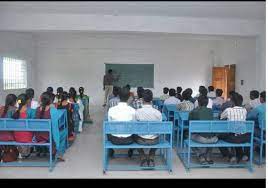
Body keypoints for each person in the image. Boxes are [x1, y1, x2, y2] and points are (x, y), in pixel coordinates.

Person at [135, 89, 162, 167]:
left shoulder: (137, 112)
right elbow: (159, 128)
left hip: (141, 140)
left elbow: (135, 126)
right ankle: (151, 156)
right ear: (152, 99)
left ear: (142, 99)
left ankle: (142, 156)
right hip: (154, 141)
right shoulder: (158, 112)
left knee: (133, 136)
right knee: (158, 136)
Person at [218, 94, 249, 164]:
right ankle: (242, 154)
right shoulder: (245, 110)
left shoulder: (228, 110)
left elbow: (221, 117)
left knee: (218, 138)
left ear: (232, 102)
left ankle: (230, 156)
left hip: (232, 137)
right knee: (237, 134)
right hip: (244, 137)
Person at [107, 87, 135, 158]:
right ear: (129, 97)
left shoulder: (111, 110)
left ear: (118, 96)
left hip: (114, 139)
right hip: (129, 139)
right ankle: (131, 150)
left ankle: (111, 150)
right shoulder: (133, 110)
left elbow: (110, 125)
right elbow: (135, 125)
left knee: (108, 129)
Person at [189, 95, 217, 164]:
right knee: (211, 133)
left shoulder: (194, 111)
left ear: (198, 103)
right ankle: (208, 156)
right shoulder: (211, 111)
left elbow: (189, 123)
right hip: (213, 139)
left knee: (189, 137)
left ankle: (200, 156)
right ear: (207, 103)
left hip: (202, 139)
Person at [12, 94, 36, 159]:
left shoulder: (14, 112)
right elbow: (34, 125)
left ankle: (24, 150)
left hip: (16, 137)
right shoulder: (31, 111)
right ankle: (28, 150)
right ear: (27, 101)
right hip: (28, 138)